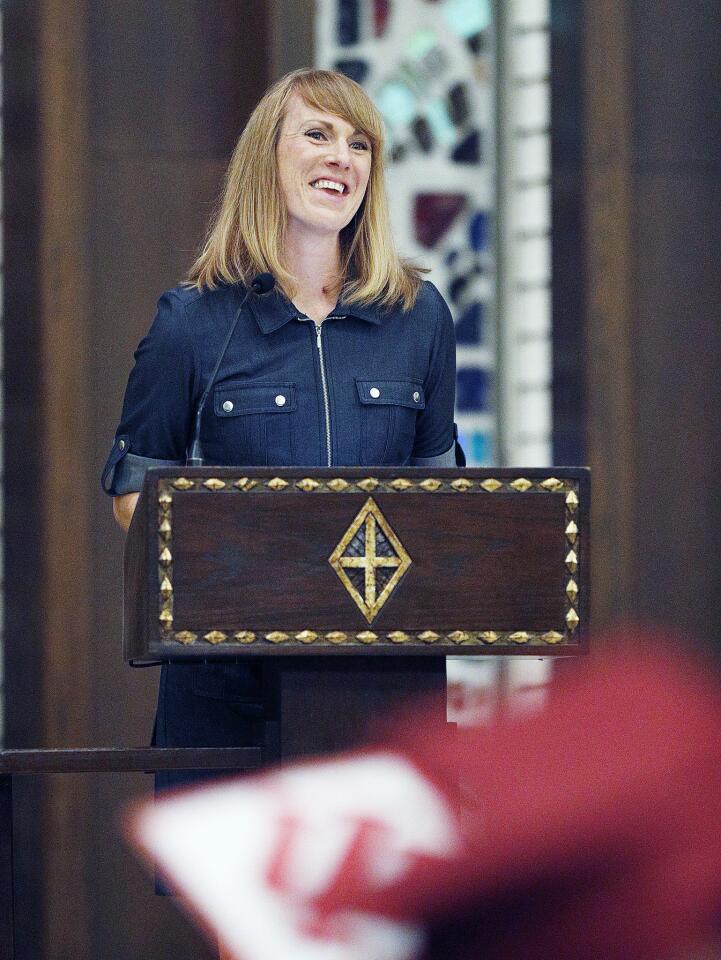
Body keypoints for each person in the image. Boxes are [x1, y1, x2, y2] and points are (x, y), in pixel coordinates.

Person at [101, 67, 460, 945]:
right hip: (230, 689)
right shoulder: (191, 321)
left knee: (381, 934)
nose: (341, 157)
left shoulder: (420, 317)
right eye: (318, 135)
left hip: (382, 691)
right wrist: (240, 561)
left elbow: (447, 500)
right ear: (268, 156)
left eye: (360, 143)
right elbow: (130, 490)